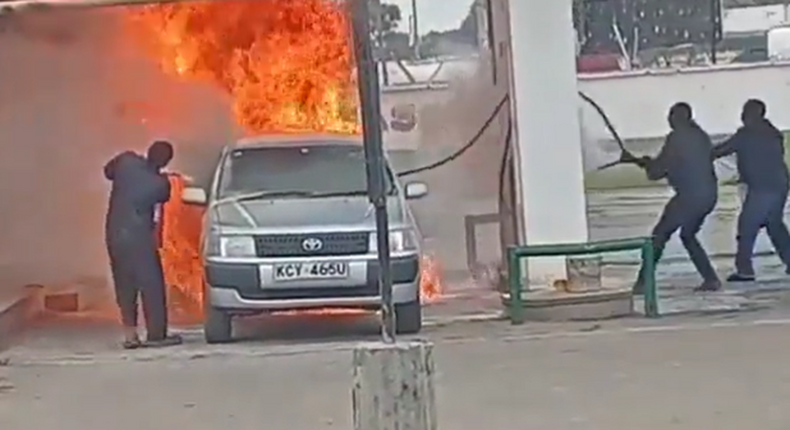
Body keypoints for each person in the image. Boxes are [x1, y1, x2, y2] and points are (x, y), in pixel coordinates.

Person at [626, 102, 721, 293]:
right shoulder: (700, 136)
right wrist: (646, 163)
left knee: (659, 235)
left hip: (689, 196)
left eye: (671, 116)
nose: (668, 119)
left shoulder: (676, 138)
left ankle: (643, 283)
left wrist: (641, 163)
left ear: (677, 118)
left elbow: (657, 171)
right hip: (708, 195)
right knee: (688, 234)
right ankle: (711, 279)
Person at [104, 140, 182, 349]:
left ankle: (130, 335)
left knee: (124, 283)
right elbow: (159, 207)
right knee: (151, 285)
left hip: (114, 233)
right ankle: (156, 334)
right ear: (165, 162)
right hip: (139, 237)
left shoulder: (126, 161)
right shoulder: (160, 184)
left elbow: (108, 171)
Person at [712, 99, 790, 281]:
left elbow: (723, 149)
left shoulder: (746, 134)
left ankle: (744, 269)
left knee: (747, 226)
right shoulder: (774, 133)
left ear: (751, 114)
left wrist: (701, 153)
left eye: (745, 112)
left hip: (762, 187)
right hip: (780, 184)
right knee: (774, 224)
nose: (742, 116)